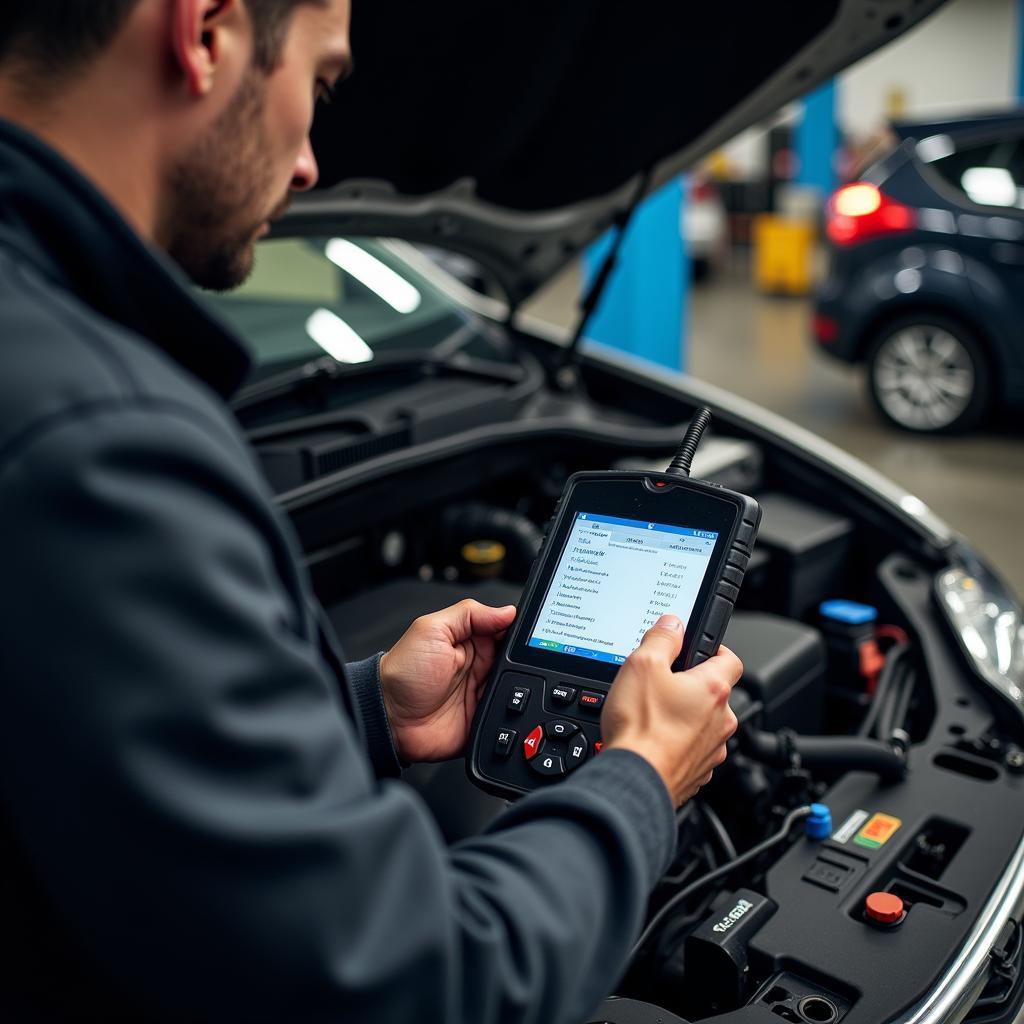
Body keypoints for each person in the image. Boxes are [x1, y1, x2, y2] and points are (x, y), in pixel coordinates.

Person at [0, 1, 741, 1020]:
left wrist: (359, 711)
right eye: (324, 79)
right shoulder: (97, 441)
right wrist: (638, 782)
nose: (310, 164)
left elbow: (67, 767)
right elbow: (419, 987)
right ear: (205, 31)